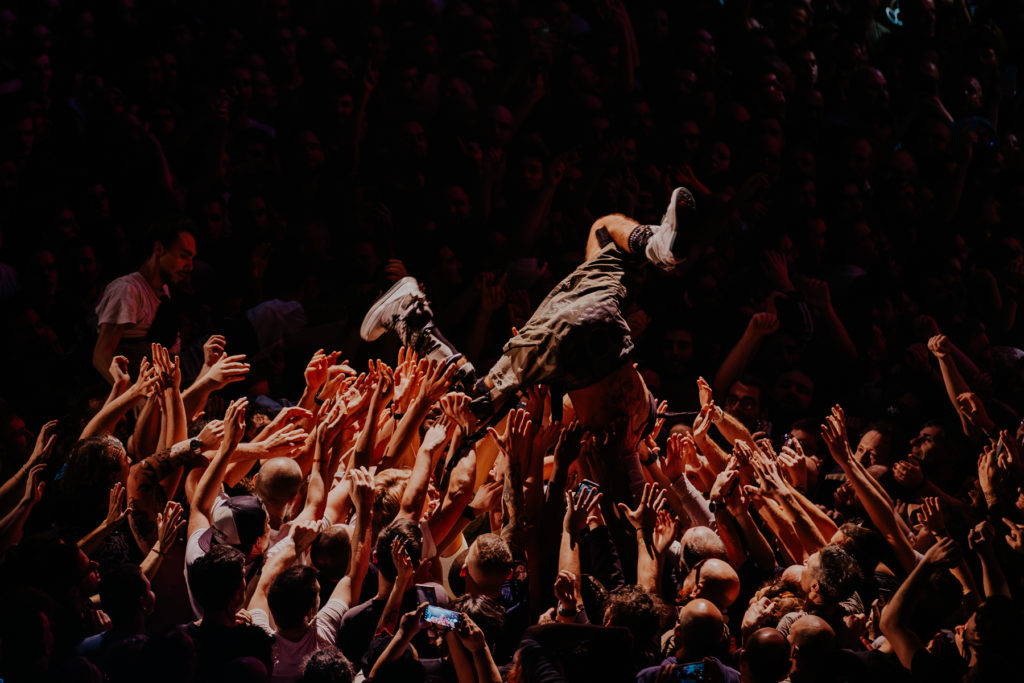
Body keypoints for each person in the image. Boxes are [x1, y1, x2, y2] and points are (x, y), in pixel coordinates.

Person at [92, 217, 196, 382]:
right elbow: (101, 355)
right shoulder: (128, 290)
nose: (190, 266)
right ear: (159, 249)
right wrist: (132, 397)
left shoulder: (164, 289)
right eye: (183, 256)